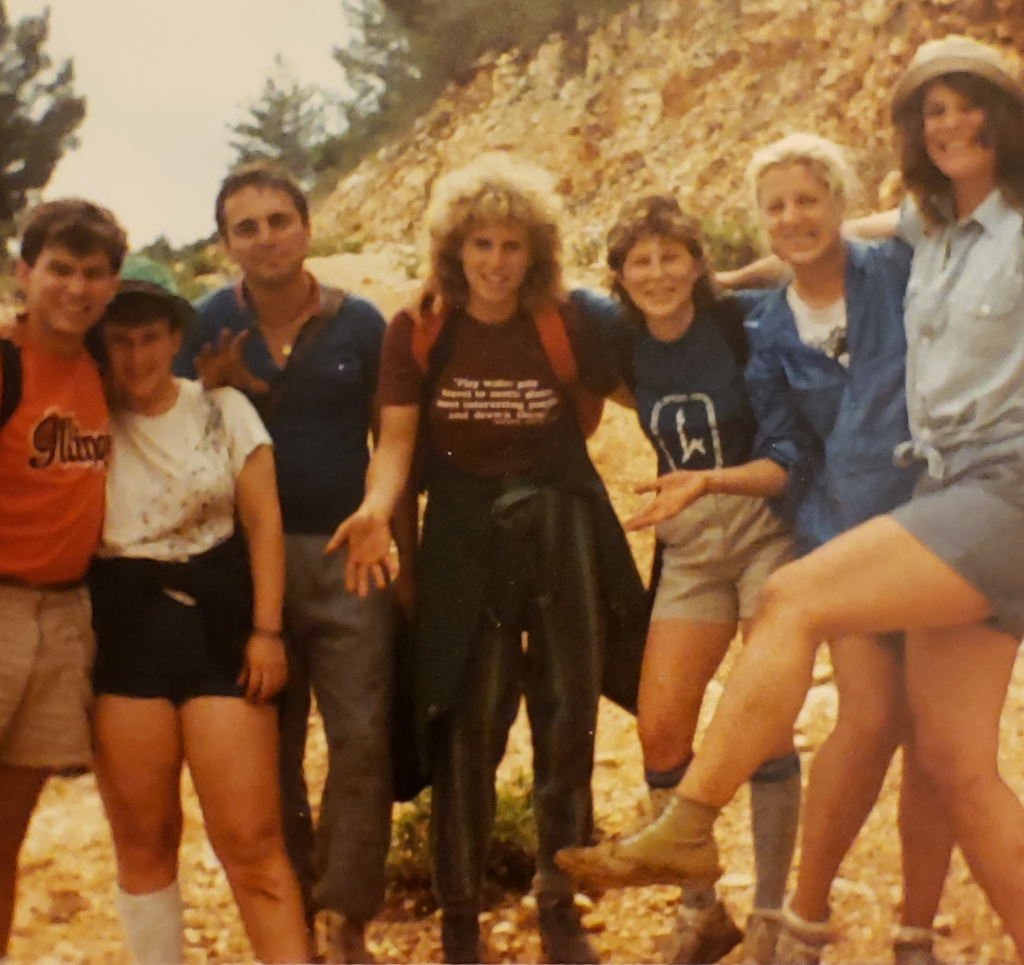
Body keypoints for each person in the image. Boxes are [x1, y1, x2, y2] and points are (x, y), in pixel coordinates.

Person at [555, 35, 1024, 958]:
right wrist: (724, 278)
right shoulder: (927, 227)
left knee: (791, 598)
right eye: (931, 109)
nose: (951, 122)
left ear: (1005, 116)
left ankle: (689, 820)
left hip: (1001, 488)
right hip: (932, 496)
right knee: (956, 761)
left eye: (969, 102)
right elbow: (829, 250)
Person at [328, 151, 648, 964]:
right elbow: (396, 440)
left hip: (563, 520)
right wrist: (374, 509)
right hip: (464, 535)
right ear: (454, 249)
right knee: (463, 724)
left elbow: (647, 391)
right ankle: (459, 919)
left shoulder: (568, 319)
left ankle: (558, 900)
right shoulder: (421, 324)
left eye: (511, 246)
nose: (497, 263)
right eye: (481, 246)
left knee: (569, 713)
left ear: (534, 249)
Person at [175, 162, 407, 962]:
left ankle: (345, 916)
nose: (266, 237)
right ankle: (293, 909)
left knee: (361, 736)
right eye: (247, 226)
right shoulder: (202, 324)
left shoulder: (361, 322)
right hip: (243, 569)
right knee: (267, 745)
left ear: (307, 227)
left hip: (348, 556)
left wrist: (389, 529)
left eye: (280, 220)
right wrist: (218, 395)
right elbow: (175, 451)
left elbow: (392, 436)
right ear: (225, 242)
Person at [88, 258, 309, 964]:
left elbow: (264, 521)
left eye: (150, 336)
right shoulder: (86, 419)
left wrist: (267, 630)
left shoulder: (221, 409)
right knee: (146, 843)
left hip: (218, 625)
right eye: (119, 339)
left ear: (175, 337)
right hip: (126, 631)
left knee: (252, 841)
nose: (136, 355)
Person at [603, 195, 799, 964]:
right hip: (688, 541)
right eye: (639, 260)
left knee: (768, 722)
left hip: (761, 522)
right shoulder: (619, 339)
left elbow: (807, 266)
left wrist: (712, 481)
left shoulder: (741, 319)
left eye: (671, 255)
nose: (656, 273)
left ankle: (775, 918)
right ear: (618, 274)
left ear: (697, 261)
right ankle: (702, 910)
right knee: (661, 725)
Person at [0, 200, 124, 961]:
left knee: (9, 833)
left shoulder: (103, 366)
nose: (76, 287)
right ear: (25, 272)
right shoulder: (5, 361)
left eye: (93, 272)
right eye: (60, 269)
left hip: (64, 614)